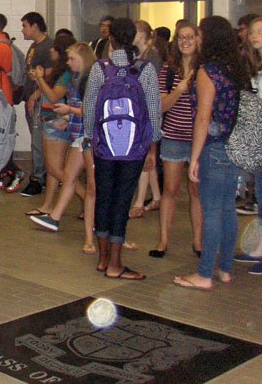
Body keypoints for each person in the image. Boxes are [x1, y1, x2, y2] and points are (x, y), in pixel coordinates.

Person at [174, 16, 250, 289]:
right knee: (228, 209)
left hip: (214, 147)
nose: (198, 39)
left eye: (201, 34)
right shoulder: (236, 67)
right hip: (234, 146)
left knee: (212, 211)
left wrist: (194, 157)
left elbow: (203, 118)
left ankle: (204, 274)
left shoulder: (209, 70)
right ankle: (225, 269)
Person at [83, 18, 161, 280]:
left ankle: (104, 259)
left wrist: (89, 138)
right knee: (122, 200)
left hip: (103, 145)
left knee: (104, 197)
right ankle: (116, 264)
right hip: (134, 147)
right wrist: (152, 147)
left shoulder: (100, 68)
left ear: (111, 40)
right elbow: (153, 111)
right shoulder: (145, 69)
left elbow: (89, 108)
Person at [26, 42, 94, 246]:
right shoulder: (77, 77)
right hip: (76, 131)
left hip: (85, 135)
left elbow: (89, 109)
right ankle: (54, 216)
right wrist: (69, 117)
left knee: (67, 175)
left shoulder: (89, 79)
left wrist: (69, 113)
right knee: (68, 176)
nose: (69, 61)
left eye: (72, 58)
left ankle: (83, 219)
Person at [149, 21, 202, 258]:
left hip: (199, 139)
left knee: (196, 190)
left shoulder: (206, 69)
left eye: (190, 37)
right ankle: (163, 240)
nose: (186, 41)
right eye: (181, 37)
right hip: (173, 136)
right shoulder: (168, 70)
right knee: (170, 189)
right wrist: (180, 89)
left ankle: (198, 241)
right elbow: (161, 106)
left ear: (198, 39)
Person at [25, 35, 75, 218]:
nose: (51, 51)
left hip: (56, 122)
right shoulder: (57, 71)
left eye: (54, 48)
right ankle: (47, 205)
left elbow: (54, 97)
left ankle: (88, 199)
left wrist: (40, 79)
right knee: (52, 169)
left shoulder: (66, 74)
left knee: (56, 169)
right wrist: (39, 80)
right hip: (49, 121)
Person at [234, 16, 262, 275]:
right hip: (261, 138)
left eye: (260, 32)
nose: (254, 36)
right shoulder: (255, 65)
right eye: (252, 32)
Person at [0, 13, 24, 191]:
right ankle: (2, 171)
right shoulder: (5, 44)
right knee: (0, 136)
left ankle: (12, 170)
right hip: (6, 97)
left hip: (0, 100)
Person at [129, 20, 163, 219]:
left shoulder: (153, 56)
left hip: (148, 109)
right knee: (148, 156)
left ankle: (140, 201)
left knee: (144, 155)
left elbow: (151, 88)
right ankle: (156, 195)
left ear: (141, 34)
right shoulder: (138, 55)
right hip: (140, 108)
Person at [21, 12, 54, 197]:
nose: (23, 30)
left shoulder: (48, 47)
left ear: (35, 26)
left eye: (25, 25)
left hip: (40, 99)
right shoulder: (34, 46)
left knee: (38, 142)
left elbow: (50, 77)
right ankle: (42, 175)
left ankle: (38, 178)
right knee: (37, 140)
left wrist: (36, 95)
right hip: (31, 98)